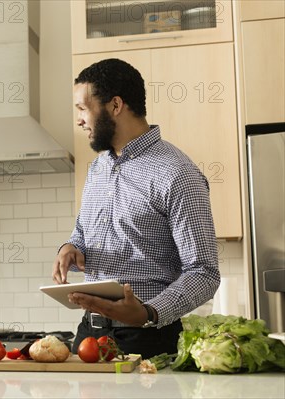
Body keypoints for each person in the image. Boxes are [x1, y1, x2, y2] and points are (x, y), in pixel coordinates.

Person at [53, 58, 220, 359]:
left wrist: (148, 312)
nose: (79, 120)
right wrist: (70, 246)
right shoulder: (98, 168)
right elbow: (83, 230)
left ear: (115, 105)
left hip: (148, 339)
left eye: (82, 108)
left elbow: (204, 272)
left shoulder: (177, 173)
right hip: (88, 334)